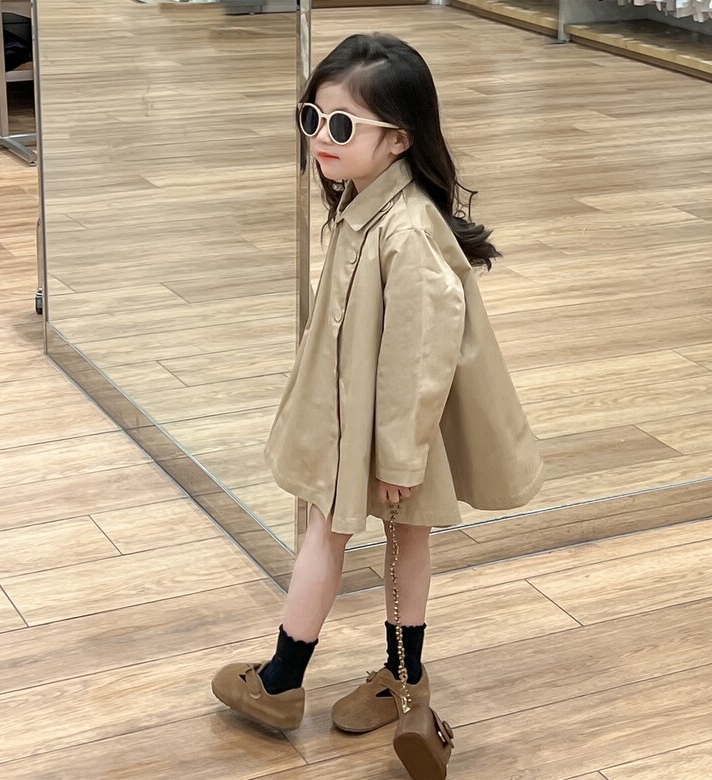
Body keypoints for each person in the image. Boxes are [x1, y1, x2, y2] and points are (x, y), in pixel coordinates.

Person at [211, 32, 545, 735]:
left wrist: (398, 457)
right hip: (366, 417)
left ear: (398, 139)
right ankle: (400, 679)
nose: (320, 138)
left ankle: (283, 682)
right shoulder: (366, 206)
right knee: (393, 540)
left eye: (341, 126)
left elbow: (418, 360)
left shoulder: (407, 232)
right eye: (312, 117)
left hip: (393, 429)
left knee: (339, 535)